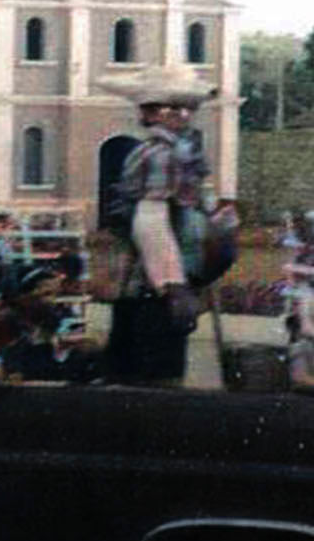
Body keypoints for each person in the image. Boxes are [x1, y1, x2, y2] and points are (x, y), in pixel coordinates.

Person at [97, 64, 227, 386]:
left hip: (147, 287)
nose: (186, 115)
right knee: (156, 381)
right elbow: (150, 221)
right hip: (153, 290)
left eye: (188, 108)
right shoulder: (162, 155)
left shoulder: (176, 154)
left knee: (135, 377)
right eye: (176, 108)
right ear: (152, 113)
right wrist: (173, 285)